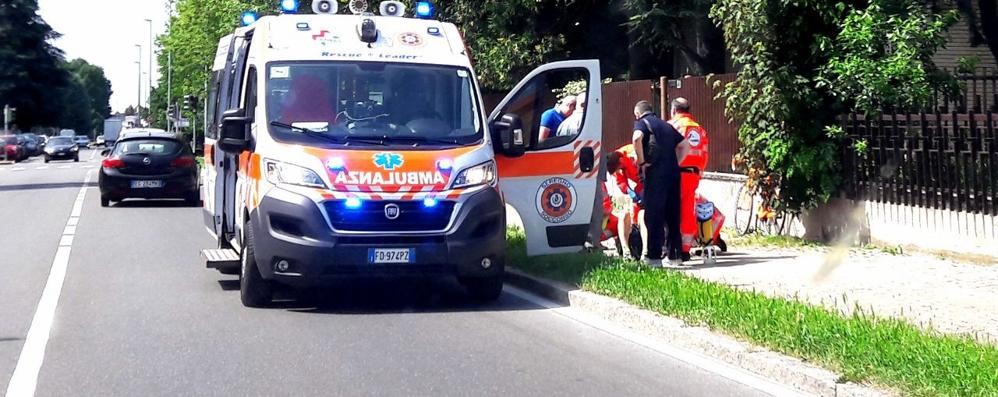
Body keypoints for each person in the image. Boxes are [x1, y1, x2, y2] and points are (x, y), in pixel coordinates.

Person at [631, 100, 690, 267]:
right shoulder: (666, 125)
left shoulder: (641, 123)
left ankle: (654, 256)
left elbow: (637, 139)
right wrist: (676, 163)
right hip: (673, 174)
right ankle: (675, 256)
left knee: (654, 215)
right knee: (672, 215)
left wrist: (642, 163)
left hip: (655, 175)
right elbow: (685, 144)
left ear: (637, 113)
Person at [668, 97, 710, 261]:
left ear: (673, 110)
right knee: (687, 209)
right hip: (693, 174)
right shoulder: (699, 129)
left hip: (675, 173)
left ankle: (671, 248)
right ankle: (685, 249)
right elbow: (705, 153)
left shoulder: (672, 126)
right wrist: (700, 171)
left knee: (670, 210)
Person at [605, 144, 645, 257]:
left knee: (646, 214)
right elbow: (620, 182)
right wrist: (629, 191)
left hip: (648, 182)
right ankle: (630, 247)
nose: (618, 171)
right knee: (634, 213)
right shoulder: (615, 163)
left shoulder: (632, 153)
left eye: (618, 169)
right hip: (638, 187)